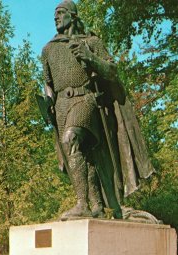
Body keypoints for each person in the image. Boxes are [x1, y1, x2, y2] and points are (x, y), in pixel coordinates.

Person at [41, 0, 154, 220]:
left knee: (70, 140)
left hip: (86, 99)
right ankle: (96, 206)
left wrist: (89, 57)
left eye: (60, 13)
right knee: (84, 155)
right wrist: (47, 101)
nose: (56, 17)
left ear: (72, 16)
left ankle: (82, 204)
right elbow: (48, 83)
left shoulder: (91, 42)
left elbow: (111, 70)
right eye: (54, 14)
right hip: (61, 105)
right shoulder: (48, 49)